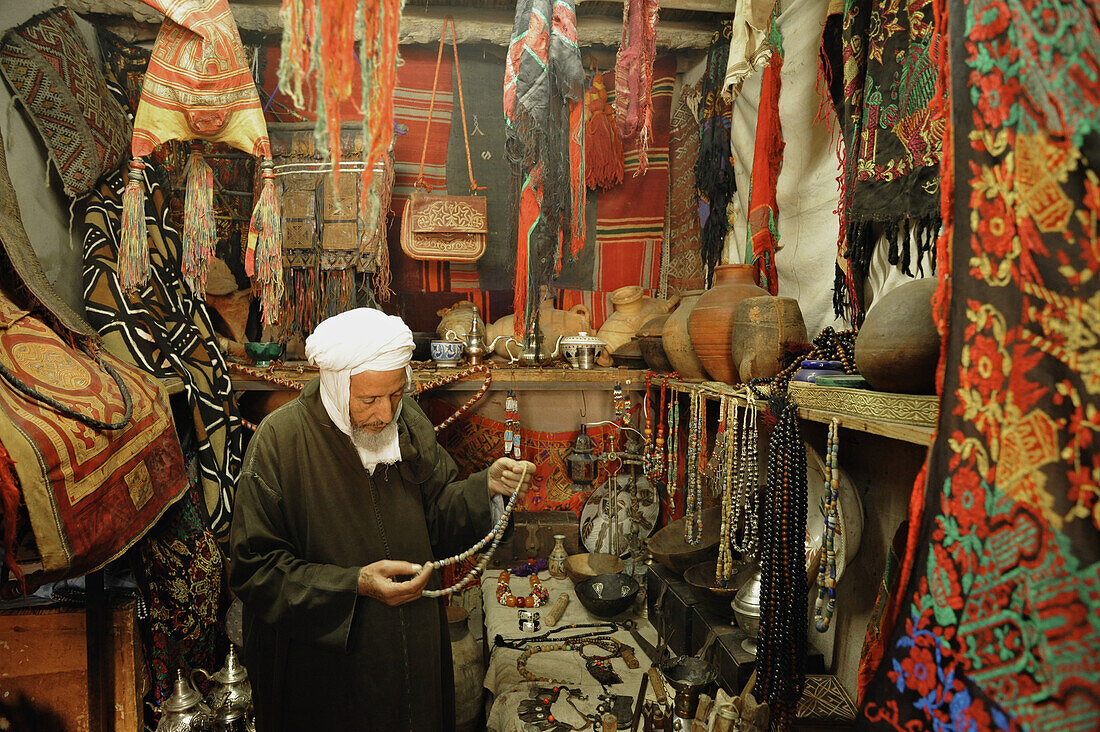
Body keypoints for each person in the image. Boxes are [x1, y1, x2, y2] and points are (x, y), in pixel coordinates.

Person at [229, 308, 534, 731]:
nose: (385, 414)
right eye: (369, 399)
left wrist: (486, 490)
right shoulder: (280, 443)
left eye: (395, 394)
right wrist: (353, 584)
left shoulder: (408, 421)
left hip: (413, 651)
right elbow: (254, 570)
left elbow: (439, 515)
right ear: (336, 386)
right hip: (327, 673)